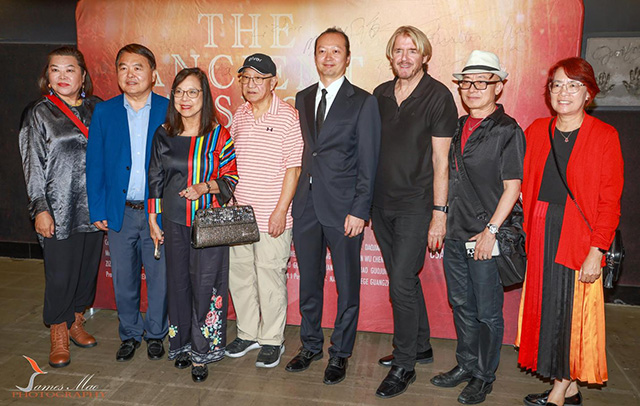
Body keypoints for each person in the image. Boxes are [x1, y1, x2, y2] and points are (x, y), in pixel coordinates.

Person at [517, 57, 623, 406]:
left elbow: (610, 201)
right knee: (548, 311)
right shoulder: (536, 130)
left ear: (588, 93)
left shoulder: (604, 136)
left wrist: (597, 249)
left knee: (569, 313)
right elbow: (521, 181)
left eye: (573, 85)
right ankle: (569, 387)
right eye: (557, 85)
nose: (564, 92)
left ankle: (559, 393)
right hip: (541, 229)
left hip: (577, 236)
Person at [284, 27, 381, 385]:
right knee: (309, 282)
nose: (328, 57)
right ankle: (310, 345)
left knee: (347, 286)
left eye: (335, 51)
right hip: (306, 205)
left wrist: (360, 209)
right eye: (322, 51)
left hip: (344, 210)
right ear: (314, 57)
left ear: (348, 57)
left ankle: (340, 352)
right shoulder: (303, 97)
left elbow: (369, 162)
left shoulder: (364, 102)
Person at [430, 50, 525, 404]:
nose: (472, 89)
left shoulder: (507, 130)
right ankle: (466, 365)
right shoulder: (456, 126)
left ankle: (484, 376)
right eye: (467, 83)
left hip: (485, 237)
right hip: (455, 232)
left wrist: (491, 231)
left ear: (498, 87)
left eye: (482, 82)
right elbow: (445, 175)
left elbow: (512, 188)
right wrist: (439, 217)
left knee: (487, 312)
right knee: (461, 304)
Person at [371, 26, 457, 398]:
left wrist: (439, 213)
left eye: (412, 50)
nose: (404, 57)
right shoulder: (380, 94)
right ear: (390, 56)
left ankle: (404, 364)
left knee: (402, 282)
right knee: (401, 277)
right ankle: (420, 344)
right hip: (381, 204)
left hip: (416, 205)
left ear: (425, 56)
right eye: (398, 50)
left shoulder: (438, 97)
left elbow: (441, 161)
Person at [147, 67, 238, 382]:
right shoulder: (164, 133)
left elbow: (231, 177)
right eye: (179, 92)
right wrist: (152, 218)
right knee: (178, 284)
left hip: (208, 224)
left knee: (206, 285)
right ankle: (182, 346)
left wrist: (205, 187)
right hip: (173, 221)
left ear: (204, 96)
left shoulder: (218, 134)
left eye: (192, 92)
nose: (185, 99)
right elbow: (155, 177)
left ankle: (203, 352)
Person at [19, 46, 103, 368]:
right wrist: (40, 208)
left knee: (87, 271)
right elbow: (32, 165)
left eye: (70, 69)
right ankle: (58, 331)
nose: (63, 76)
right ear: (48, 76)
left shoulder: (98, 109)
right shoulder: (39, 113)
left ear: (83, 76)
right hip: (58, 209)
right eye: (55, 70)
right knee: (60, 274)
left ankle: (76, 321)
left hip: (93, 209)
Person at [86, 44, 169, 363]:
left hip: (156, 213)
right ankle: (131, 333)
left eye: (138, 67)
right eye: (123, 68)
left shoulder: (169, 110)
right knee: (124, 279)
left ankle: (156, 334)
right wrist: (98, 208)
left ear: (153, 74)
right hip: (120, 212)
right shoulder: (105, 112)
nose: (130, 74)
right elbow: (94, 163)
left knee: (160, 277)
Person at [226, 54, 303, 368]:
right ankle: (247, 333)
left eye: (258, 78)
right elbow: (230, 164)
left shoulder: (288, 117)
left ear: (273, 82)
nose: (251, 84)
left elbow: (294, 169)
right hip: (239, 215)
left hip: (272, 215)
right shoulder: (239, 115)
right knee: (240, 276)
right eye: (246, 78)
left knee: (270, 279)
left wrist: (280, 210)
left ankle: (272, 340)